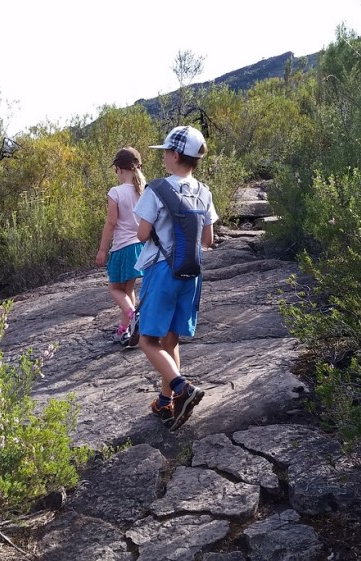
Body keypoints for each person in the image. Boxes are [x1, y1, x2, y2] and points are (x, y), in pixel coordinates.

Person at [134, 125, 219, 431]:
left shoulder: (156, 189)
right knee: (171, 338)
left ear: (174, 155)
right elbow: (208, 239)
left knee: (147, 339)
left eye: (166, 153)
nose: (164, 158)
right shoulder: (204, 191)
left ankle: (182, 389)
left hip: (161, 270)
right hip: (191, 273)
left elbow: (142, 233)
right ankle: (165, 400)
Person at [95, 147, 146, 344]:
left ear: (119, 169)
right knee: (127, 291)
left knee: (114, 288)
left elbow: (111, 223)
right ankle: (124, 330)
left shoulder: (116, 192)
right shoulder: (143, 189)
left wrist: (102, 250)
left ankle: (134, 317)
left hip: (122, 248)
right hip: (139, 248)